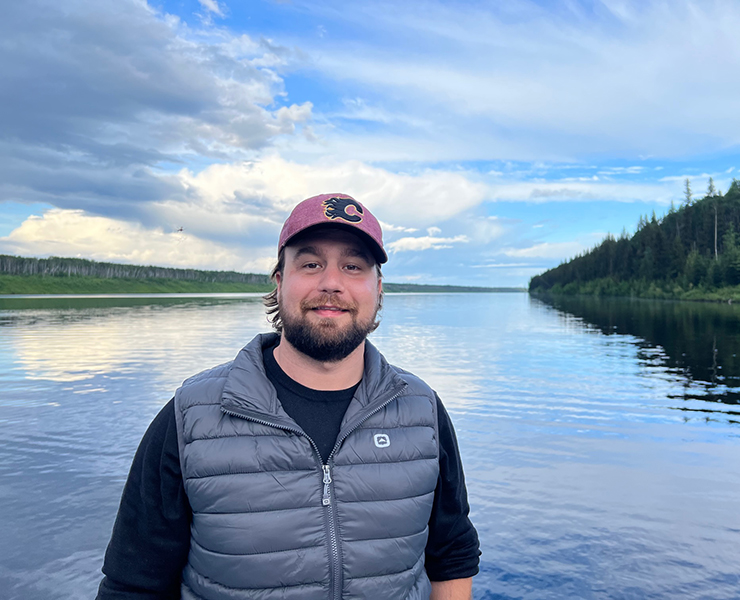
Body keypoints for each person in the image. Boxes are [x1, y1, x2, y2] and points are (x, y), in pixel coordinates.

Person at [96, 193, 480, 600]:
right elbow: (132, 586)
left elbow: (451, 556)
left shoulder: (422, 411)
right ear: (279, 283)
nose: (332, 283)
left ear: (378, 288)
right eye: (311, 264)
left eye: (353, 266)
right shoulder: (191, 417)